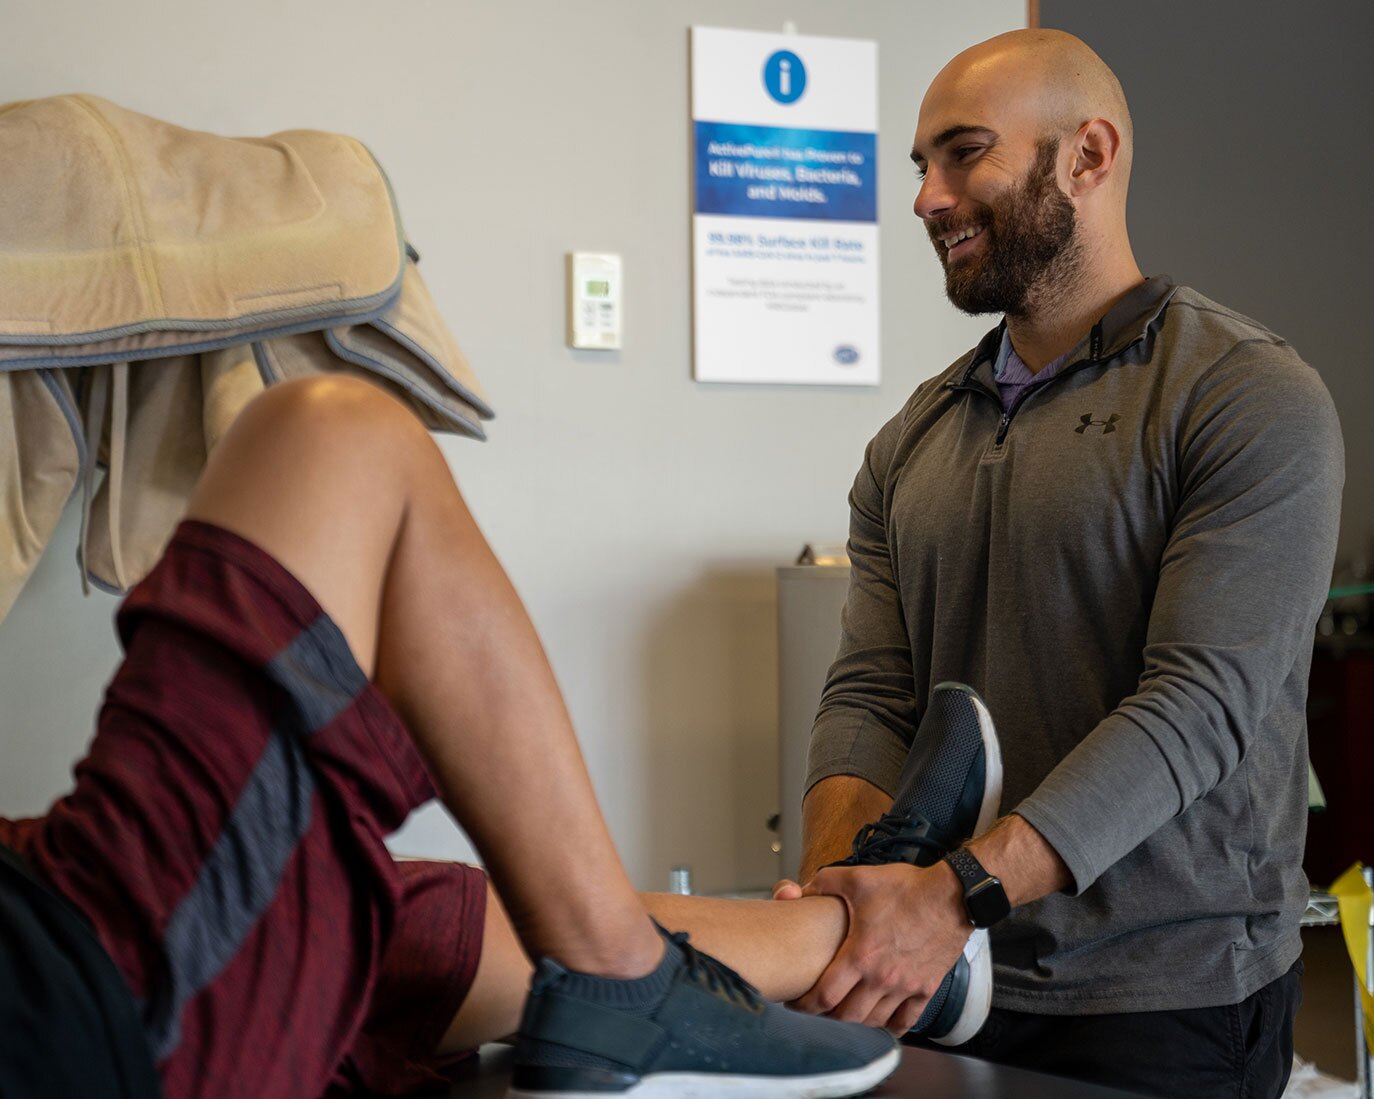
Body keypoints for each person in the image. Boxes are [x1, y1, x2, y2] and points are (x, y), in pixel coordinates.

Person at [0, 374, 922, 1099]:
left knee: (405, 913)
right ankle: (657, 980)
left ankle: (855, 932)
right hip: (73, 1017)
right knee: (336, 436)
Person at [778, 27, 1345, 1099]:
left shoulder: (1245, 396)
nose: (926, 198)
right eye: (921, 167)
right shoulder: (910, 441)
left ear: (1087, 156)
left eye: (964, 154)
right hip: (943, 981)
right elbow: (869, 693)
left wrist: (949, 897)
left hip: (1163, 998)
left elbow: (1199, 705)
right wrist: (847, 892)